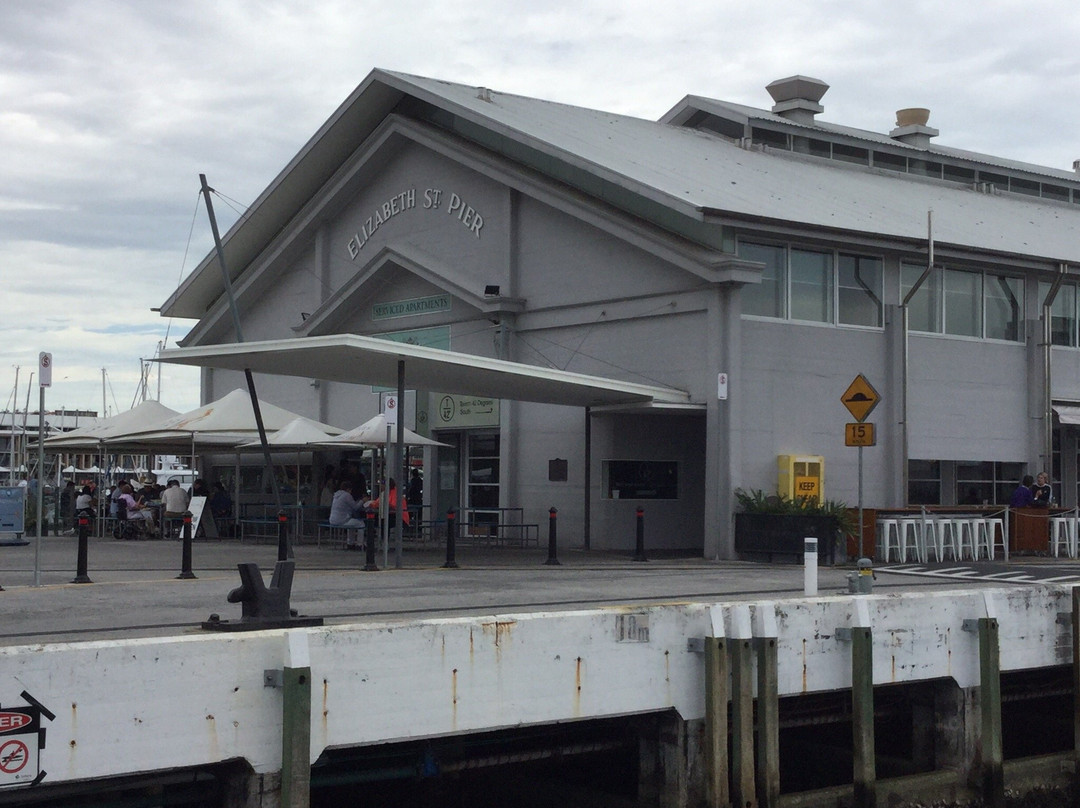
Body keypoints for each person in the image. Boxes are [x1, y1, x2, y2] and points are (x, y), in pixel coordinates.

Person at [329, 480, 365, 549]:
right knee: (361, 524)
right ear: (348, 489)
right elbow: (355, 507)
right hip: (342, 520)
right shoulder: (347, 495)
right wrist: (362, 501)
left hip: (333, 519)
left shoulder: (336, 495)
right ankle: (360, 544)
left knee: (352, 524)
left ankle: (350, 543)